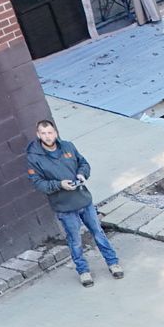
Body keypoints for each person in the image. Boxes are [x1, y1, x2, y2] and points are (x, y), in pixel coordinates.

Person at [25, 118, 122, 287]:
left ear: (55, 132)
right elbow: (38, 183)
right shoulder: (33, 158)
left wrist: (82, 174)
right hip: (64, 207)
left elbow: (83, 164)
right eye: (43, 133)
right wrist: (59, 185)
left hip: (84, 200)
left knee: (98, 233)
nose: (47, 136)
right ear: (38, 135)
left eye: (50, 132)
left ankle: (113, 263)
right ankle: (83, 271)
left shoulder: (68, 146)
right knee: (75, 240)